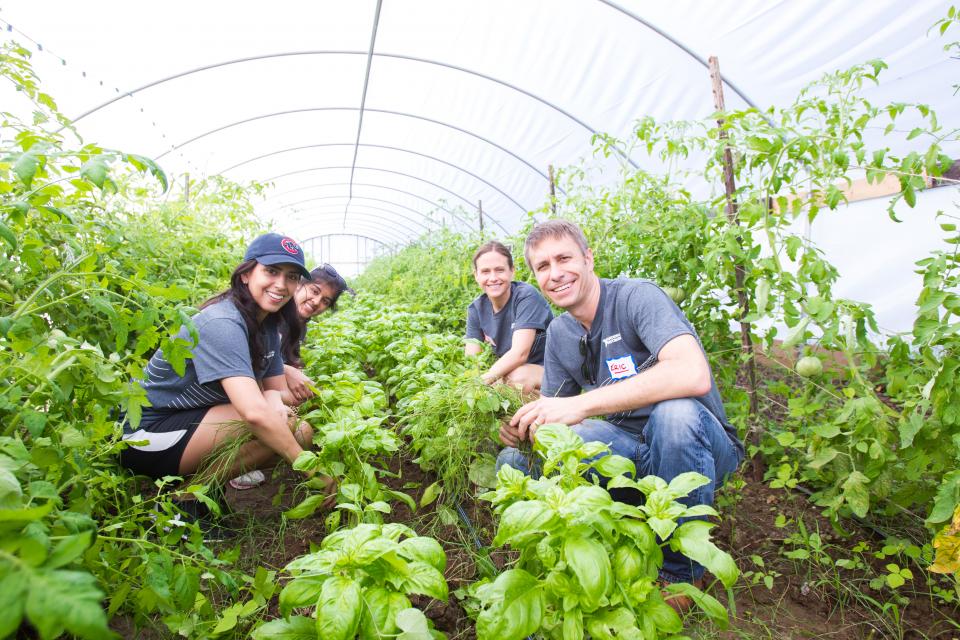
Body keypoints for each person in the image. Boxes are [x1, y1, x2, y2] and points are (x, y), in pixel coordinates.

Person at [497, 219, 744, 609]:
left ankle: (681, 573)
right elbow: (556, 417)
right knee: (522, 457)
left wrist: (582, 403)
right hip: (630, 448)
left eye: (564, 258)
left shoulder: (635, 298)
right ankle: (593, 548)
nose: (555, 273)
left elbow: (691, 373)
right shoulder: (562, 332)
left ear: (589, 259)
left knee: (674, 414)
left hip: (699, 447)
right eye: (543, 266)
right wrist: (523, 427)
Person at [119, 233, 330, 532]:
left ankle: (202, 490)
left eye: (292, 276)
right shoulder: (222, 322)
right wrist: (314, 471)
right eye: (271, 271)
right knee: (272, 425)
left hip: (185, 425)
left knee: (299, 430)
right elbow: (255, 413)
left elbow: (274, 390)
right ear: (246, 274)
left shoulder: (267, 323)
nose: (281, 285)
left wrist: (273, 402)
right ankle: (178, 507)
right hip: (144, 434)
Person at [464, 241, 553, 394]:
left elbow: (520, 353)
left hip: (550, 370)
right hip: (514, 371)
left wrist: (482, 383)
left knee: (514, 379)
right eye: (485, 272)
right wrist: (472, 384)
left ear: (512, 271)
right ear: (476, 275)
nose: (493, 278)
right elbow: (472, 360)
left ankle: (555, 408)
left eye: (499, 270)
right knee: (500, 382)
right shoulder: (476, 309)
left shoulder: (525, 296)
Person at [282, 263, 353, 406]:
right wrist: (284, 370)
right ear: (299, 284)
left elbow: (291, 361)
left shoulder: (300, 325)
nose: (316, 302)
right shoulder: (273, 315)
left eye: (325, 301)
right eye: (314, 291)